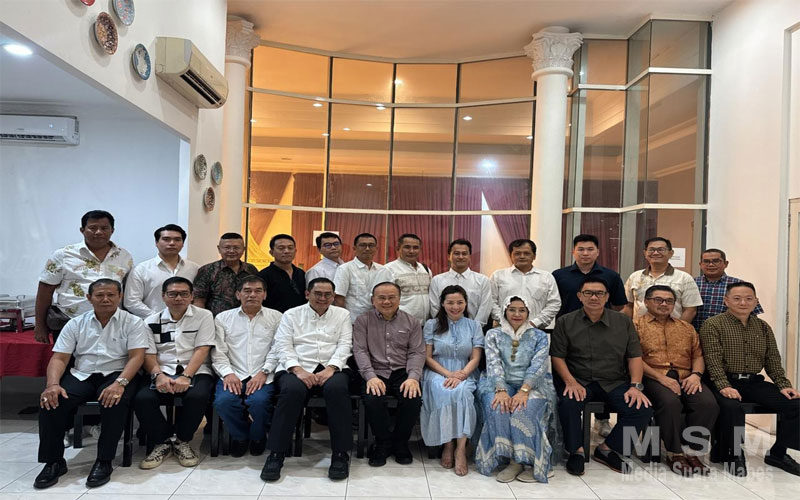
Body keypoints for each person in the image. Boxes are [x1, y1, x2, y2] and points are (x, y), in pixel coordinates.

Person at [34, 279, 149, 489]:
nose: (105, 299)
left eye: (111, 295)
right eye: (99, 295)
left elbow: (137, 357)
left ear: (120, 296)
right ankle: (54, 462)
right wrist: (52, 385)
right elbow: (59, 358)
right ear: (89, 298)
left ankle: (104, 460)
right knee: (52, 401)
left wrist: (120, 383)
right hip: (82, 373)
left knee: (114, 401)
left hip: (118, 373)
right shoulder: (75, 323)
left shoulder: (133, 322)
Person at [551, 277, 653, 476]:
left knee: (642, 408)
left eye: (599, 293)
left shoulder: (623, 321)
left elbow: (634, 356)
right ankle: (576, 451)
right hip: (579, 380)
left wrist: (635, 386)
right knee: (568, 403)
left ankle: (607, 449)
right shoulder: (565, 321)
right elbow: (557, 356)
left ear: (607, 297)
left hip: (614, 381)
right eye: (588, 293)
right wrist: (570, 382)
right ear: (580, 296)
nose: (594, 297)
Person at [699, 282, 800, 477]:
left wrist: (783, 385)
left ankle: (778, 453)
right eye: (737, 298)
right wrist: (724, 385)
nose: (743, 303)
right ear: (726, 301)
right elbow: (712, 359)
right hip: (722, 380)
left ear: (756, 302)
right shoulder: (713, 324)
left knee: (795, 404)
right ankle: (733, 454)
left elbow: (772, 360)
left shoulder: (763, 327)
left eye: (748, 298)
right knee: (731, 406)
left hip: (753, 382)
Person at [261, 278, 353, 481]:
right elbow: (283, 345)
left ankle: (340, 454)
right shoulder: (291, 314)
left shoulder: (343, 314)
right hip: (297, 366)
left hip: (332, 366)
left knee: (337, 390)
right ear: (307, 294)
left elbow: (345, 344)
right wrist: (297, 370)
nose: (323, 298)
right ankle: (276, 454)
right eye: (318, 293)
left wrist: (331, 368)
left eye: (328, 294)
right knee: (291, 391)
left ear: (333, 296)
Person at [633, 285, 718, 476]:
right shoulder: (635, 326)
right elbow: (634, 358)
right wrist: (661, 378)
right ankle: (675, 452)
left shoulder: (686, 327)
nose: (664, 304)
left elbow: (698, 355)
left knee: (708, 404)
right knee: (670, 403)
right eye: (658, 300)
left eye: (669, 301)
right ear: (646, 302)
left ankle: (692, 451)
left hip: (686, 376)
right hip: (652, 376)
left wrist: (696, 375)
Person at [475, 295, 558, 483]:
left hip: (533, 384)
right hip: (498, 382)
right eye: (512, 309)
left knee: (523, 411)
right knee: (498, 407)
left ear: (529, 312)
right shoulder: (493, 334)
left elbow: (538, 366)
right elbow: (493, 363)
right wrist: (501, 390)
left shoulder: (539, 336)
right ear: (504, 312)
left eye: (522, 310)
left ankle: (530, 462)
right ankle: (509, 460)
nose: (517, 314)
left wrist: (524, 390)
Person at [134, 277, 216, 469]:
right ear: (163, 296)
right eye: (173, 294)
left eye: (184, 294)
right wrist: (158, 375)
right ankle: (162, 442)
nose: (178, 298)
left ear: (192, 296)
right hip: (162, 370)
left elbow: (202, 349)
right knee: (143, 398)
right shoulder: (150, 321)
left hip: (195, 369)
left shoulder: (204, 316)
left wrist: (186, 376)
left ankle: (182, 441)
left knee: (198, 396)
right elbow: (149, 354)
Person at [552, 234, 627, 438]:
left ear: (598, 252)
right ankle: (569, 424)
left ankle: (602, 420)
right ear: (573, 251)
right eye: (581, 249)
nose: (585, 253)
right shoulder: (559, 276)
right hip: (568, 333)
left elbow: (619, 304)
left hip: (602, 333)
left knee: (602, 374)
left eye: (590, 249)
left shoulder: (611, 276)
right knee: (571, 375)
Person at [353, 282, 425, 467]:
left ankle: (400, 443)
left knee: (412, 398)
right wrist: (370, 376)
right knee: (372, 398)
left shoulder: (412, 322)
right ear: (373, 300)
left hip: (403, 370)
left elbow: (416, 352)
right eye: (382, 298)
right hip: (375, 370)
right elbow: (360, 351)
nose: (387, 302)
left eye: (391, 297)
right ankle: (383, 442)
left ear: (399, 299)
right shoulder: (363, 321)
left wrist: (413, 378)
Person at [34, 210, 133, 343]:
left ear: (112, 230)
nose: (98, 232)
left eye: (104, 228)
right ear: (82, 230)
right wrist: (40, 326)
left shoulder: (124, 256)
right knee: (66, 357)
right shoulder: (63, 255)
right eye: (93, 228)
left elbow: (127, 292)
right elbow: (45, 290)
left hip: (113, 325)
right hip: (69, 322)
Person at [213, 275, 283, 457]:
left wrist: (264, 372)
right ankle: (240, 437)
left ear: (265, 295)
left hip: (263, 373)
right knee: (224, 402)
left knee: (259, 402)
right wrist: (228, 374)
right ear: (238, 294)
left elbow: (278, 349)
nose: (252, 295)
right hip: (233, 372)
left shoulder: (277, 317)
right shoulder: (223, 318)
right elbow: (218, 352)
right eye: (247, 291)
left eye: (258, 291)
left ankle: (258, 437)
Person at [422, 285, 484, 476]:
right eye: (450, 302)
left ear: (466, 303)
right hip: (437, 370)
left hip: (466, 370)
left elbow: (475, 358)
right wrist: (449, 374)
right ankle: (448, 444)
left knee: (463, 392)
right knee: (444, 390)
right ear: (442, 304)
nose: (455, 307)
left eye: (459, 302)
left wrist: (462, 374)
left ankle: (461, 448)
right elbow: (428, 357)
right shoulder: (432, 325)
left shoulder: (474, 326)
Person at [124, 224, 199, 318]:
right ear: (156, 242)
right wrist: (158, 318)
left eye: (177, 240)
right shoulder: (141, 269)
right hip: (151, 323)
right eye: (166, 239)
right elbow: (131, 301)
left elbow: (198, 298)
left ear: (183, 244)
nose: (172, 243)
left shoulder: (194, 268)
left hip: (188, 322)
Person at [623, 236, 702, 322]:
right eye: (651, 250)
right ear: (645, 253)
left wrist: (679, 328)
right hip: (639, 328)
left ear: (671, 253)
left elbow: (690, 310)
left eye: (661, 250)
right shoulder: (635, 276)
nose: (656, 253)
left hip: (671, 328)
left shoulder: (684, 278)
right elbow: (628, 306)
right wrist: (630, 327)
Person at [489, 239, 560, 329]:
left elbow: (554, 303)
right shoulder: (498, 276)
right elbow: (491, 302)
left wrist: (535, 323)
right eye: (517, 253)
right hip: (503, 329)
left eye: (526, 253)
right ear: (510, 255)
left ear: (534, 256)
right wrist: (505, 320)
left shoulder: (546, 277)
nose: (522, 256)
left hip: (535, 330)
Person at [692, 248, 764, 330]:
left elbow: (752, 314)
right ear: (700, 264)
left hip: (730, 334)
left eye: (716, 261)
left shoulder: (740, 286)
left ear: (726, 264)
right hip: (694, 334)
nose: (711, 264)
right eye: (706, 261)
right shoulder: (691, 284)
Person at [429, 239, 492, 328]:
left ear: (469, 257)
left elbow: (485, 308)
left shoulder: (483, 280)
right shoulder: (437, 280)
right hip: (444, 329)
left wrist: (473, 329)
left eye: (464, 253)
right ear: (449, 256)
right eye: (456, 253)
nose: (461, 257)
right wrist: (447, 327)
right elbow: (435, 308)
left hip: (474, 330)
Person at [193, 233, 258, 316]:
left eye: (236, 248)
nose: (231, 251)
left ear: (243, 249)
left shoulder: (251, 269)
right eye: (227, 247)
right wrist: (203, 319)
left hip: (246, 318)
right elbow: (198, 300)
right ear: (219, 249)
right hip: (216, 320)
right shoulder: (207, 270)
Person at [334, 232, 393, 323]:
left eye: (371, 245)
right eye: (363, 245)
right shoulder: (345, 269)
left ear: (376, 248)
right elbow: (339, 299)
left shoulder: (384, 270)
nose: (367, 248)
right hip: (353, 322)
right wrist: (343, 322)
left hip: (380, 322)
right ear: (354, 248)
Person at [385, 233, 432, 324]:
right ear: (398, 248)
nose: (411, 251)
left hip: (424, 325)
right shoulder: (388, 269)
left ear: (420, 250)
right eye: (407, 247)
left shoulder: (425, 269)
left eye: (415, 247)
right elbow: (383, 299)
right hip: (400, 324)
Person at [258, 234, 307, 313]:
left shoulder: (301, 273)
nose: (286, 251)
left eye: (290, 248)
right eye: (281, 248)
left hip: (299, 318)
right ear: (271, 252)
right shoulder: (263, 276)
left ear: (295, 251)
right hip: (274, 318)